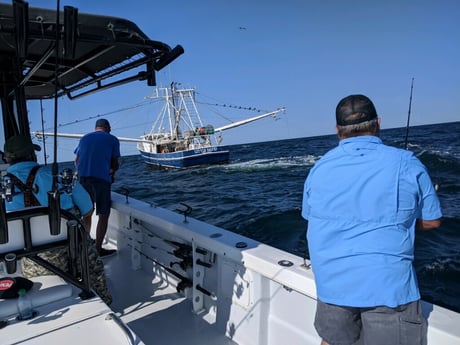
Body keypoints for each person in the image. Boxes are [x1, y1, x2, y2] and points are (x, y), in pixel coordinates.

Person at [301, 94, 442, 345]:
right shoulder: (407, 162)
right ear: (377, 123)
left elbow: (313, 219)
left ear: (337, 130)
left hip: (332, 286)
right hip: (388, 289)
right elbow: (432, 221)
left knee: (332, 341)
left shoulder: (318, 169)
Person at [3, 135, 112, 305]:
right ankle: (104, 301)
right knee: (93, 266)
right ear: (32, 154)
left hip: (35, 261)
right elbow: (88, 209)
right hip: (74, 249)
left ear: (6, 158)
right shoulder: (58, 177)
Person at [74, 118, 120, 257]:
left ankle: (84, 247)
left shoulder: (84, 138)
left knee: (87, 213)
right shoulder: (112, 139)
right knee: (103, 214)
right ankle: (98, 249)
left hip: (83, 179)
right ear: (107, 127)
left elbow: (76, 160)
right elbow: (115, 162)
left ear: (96, 128)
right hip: (101, 180)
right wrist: (112, 172)